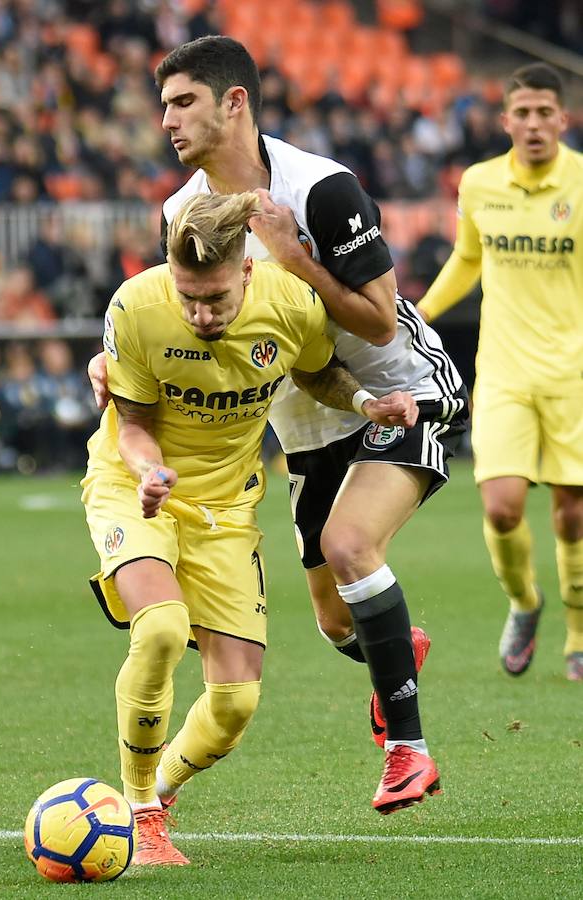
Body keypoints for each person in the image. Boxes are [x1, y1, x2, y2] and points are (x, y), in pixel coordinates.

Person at [89, 36, 468, 814]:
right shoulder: (181, 211)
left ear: (234, 103)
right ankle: (394, 646)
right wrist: (113, 368)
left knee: (349, 545)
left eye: (182, 101)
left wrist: (292, 257)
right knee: (335, 621)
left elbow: (378, 325)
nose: (166, 119)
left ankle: (408, 751)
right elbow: (173, 323)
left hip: (400, 394)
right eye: (162, 105)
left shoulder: (322, 189)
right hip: (307, 421)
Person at [82, 190, 418, 866]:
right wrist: (149, 472)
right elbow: (135, 426)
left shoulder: (290, 304)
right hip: (136, 489)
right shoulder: (137, 307)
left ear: (244, 271)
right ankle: (140, 809)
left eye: (214, 299)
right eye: (188, 298)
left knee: (234, 702)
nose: (201, 314)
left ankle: (162, 789)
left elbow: (317, 373)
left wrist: (363, 401)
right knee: (161, 629)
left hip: (228, 509)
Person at [417, 63, 583, 682]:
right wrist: (424, 311)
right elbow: (468, 257)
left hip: (574, 372)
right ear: (506, 120)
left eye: (547, 112)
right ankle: (524, 602)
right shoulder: (480, 183)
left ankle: (578, 631)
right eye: (525, 113)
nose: (535, 123)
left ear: (562, 119)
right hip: (506, 369)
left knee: (573, 513)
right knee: (504, 509)